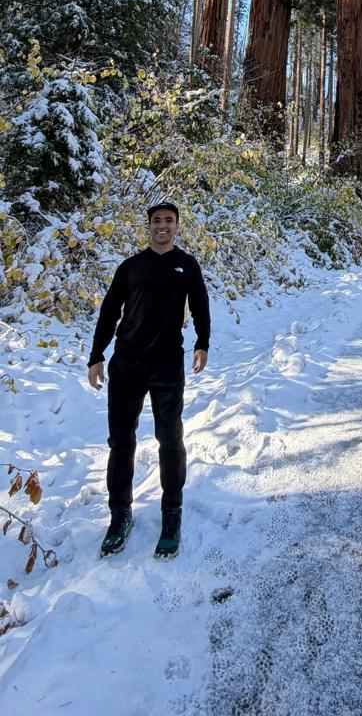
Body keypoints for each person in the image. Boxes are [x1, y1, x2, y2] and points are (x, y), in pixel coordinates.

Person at [87, 202, 210, 559]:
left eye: (169, 221)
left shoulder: (186, 265)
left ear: (177, 227)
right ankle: (119, 515)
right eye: (157, 221)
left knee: (170, 438)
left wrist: (202, 343)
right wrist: (97, 355)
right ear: (149, 226)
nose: (162, 226)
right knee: (120, 442)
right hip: (126, 364)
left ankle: (171, 513)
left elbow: (200, 305)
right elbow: (110, 311)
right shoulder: (131, 267)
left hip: (168, 364)